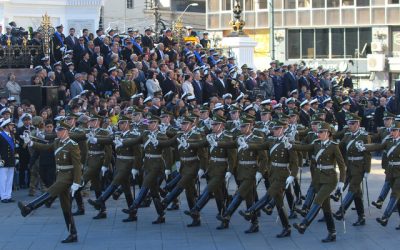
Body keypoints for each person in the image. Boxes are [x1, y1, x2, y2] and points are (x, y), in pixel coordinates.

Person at [18, 121, 81, 243]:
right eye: (57, 130)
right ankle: (73, 234)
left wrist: (76, 182)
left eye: (60, 130)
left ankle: (29, 208)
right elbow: (45, 147)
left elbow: (77, 165)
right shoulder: (57, 142)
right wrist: (30, 142)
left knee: (51, 190)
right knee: (65, 206)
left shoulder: (72, 145)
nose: (57, 132)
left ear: (66, 131)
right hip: (60, 175)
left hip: (68, 176)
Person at [290, 122, 346, 242]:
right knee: (326, 209)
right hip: (319, 179)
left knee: (317, 200)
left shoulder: (333, 146)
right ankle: (332, 233)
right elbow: (304, 147)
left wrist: (342, 182)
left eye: (321, 132)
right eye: (318, 132)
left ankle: (304, 224)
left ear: (328, 133)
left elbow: (342, 166)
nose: (318, 134)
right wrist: (290, 144)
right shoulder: (316, 144)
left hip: (330, 180)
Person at [0, 118, 17, 203]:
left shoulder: (12, 135)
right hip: (3, 160)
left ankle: (8, 195)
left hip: (11, 160)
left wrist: (16, 159)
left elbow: (14, 149)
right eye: (10, 125)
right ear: (5, 126)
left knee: (10, 179)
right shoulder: (1, 135)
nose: (12, 126)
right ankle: (3, 196)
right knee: (3, 179)